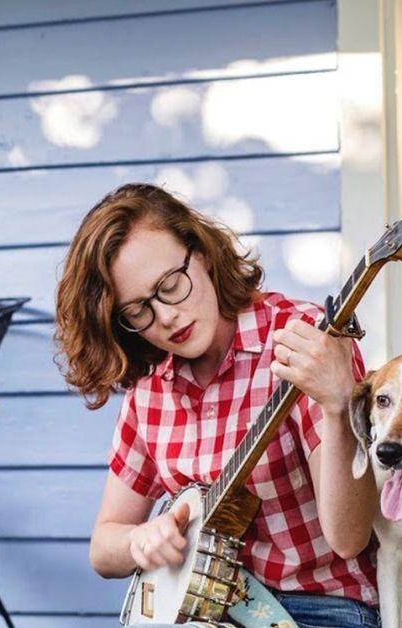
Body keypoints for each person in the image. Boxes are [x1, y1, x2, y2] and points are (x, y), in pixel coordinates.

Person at [55, 184, 380, 627]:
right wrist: (141, 540)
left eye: (170, 285)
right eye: (138, 311)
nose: (166, 316)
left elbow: (349, 538)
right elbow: (103, 548)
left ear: (202, 254)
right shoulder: (152, 389)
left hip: (320, 609)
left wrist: (339, 405)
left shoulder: (301, 342)